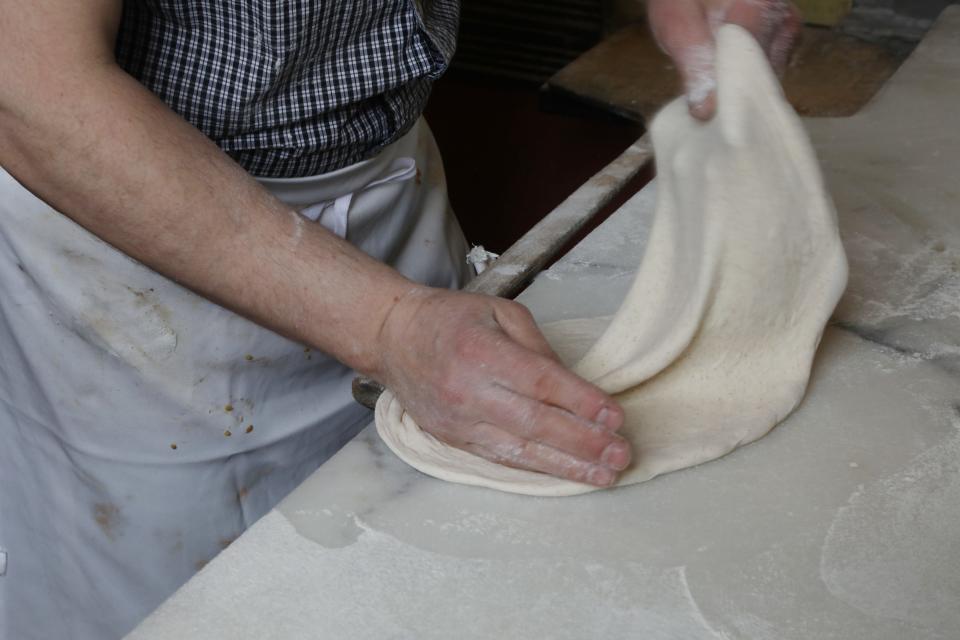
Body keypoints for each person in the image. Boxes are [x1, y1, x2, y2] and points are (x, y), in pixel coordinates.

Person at [0, 0, 799, 637]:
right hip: (133, 258)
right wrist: (384, 325)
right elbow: (29, 83)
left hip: (390, 187)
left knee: (423, 574)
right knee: (189, 603)